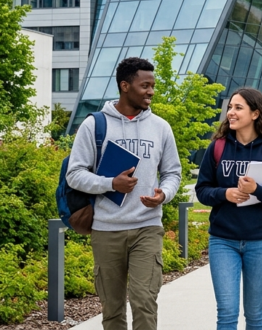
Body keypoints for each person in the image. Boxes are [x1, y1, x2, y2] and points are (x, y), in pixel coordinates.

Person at [66, 57, 182, 330]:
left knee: (144, 302)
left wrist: (163, 194)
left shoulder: (161, 127)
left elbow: (173, 173)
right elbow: (74, 174)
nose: (151, 91)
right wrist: (110, 184)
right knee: (112, 309)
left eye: (153, 86)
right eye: (145, 86)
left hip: (147, 226)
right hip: (106, 229)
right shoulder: (94, 125)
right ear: (125, 86)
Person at [195, 88, 262, 330]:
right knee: (226, 313)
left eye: (238, 108)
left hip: (261, 242)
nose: (231, 113)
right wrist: (224, 194)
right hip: (223, 240)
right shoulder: (217, 147)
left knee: (255, 315)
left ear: (255, 113)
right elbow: (202, 190)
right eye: (230, 107)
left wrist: (257, 189)